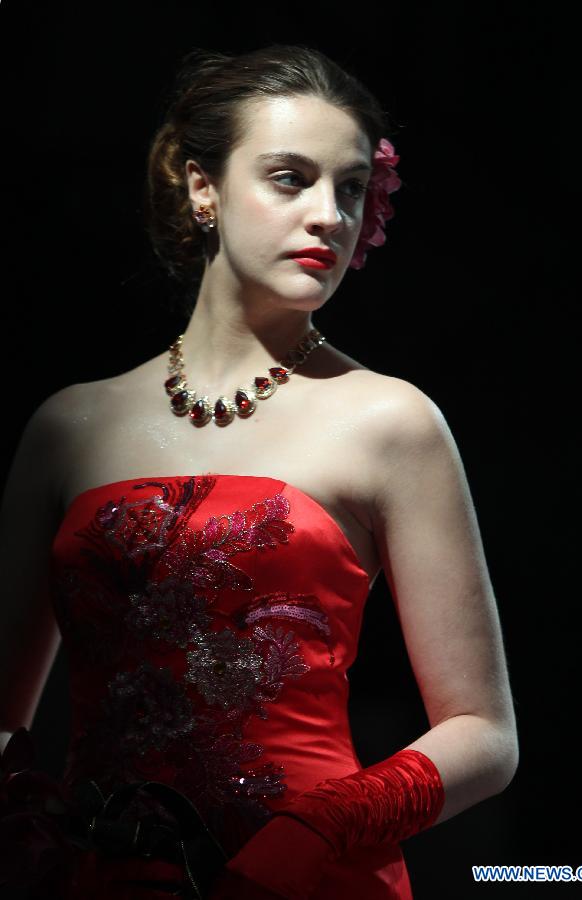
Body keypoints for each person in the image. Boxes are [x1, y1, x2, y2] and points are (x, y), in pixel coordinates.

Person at [0, 43, 519, 899]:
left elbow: (485, 734)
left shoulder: (390, 421)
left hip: (309, 879)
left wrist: (318, 832)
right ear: (202, 188)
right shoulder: (69, 426)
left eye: (350, 187)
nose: (329, 215)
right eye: (289, 178)